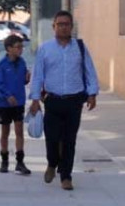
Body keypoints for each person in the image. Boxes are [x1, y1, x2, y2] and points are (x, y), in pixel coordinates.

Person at [28, 10, 99, 191]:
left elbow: (89, 70)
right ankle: (52, 163)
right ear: (54, 27)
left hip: (74, 101)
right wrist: (35, 99)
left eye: (67, 24)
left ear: (71, 27)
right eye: (60, 24)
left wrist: (92, 93)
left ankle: (66, 176)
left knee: (69, 140)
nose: (63, 27)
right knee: (52, 138)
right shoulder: (45, 48)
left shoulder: (80, 47)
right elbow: (37, 76)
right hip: (52, 100)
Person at [0, 35, 32, 175]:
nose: (21, 49)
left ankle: (20, 162)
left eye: (22, 47)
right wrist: (7, 95)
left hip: (19, 102)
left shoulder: (22, 63)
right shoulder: (2, 65)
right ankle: (4, 161)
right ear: (9, 49)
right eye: (18, 47)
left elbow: (21, 81)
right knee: (5, 132)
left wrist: (26, 79)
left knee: (19, 131)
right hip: (4, 104)